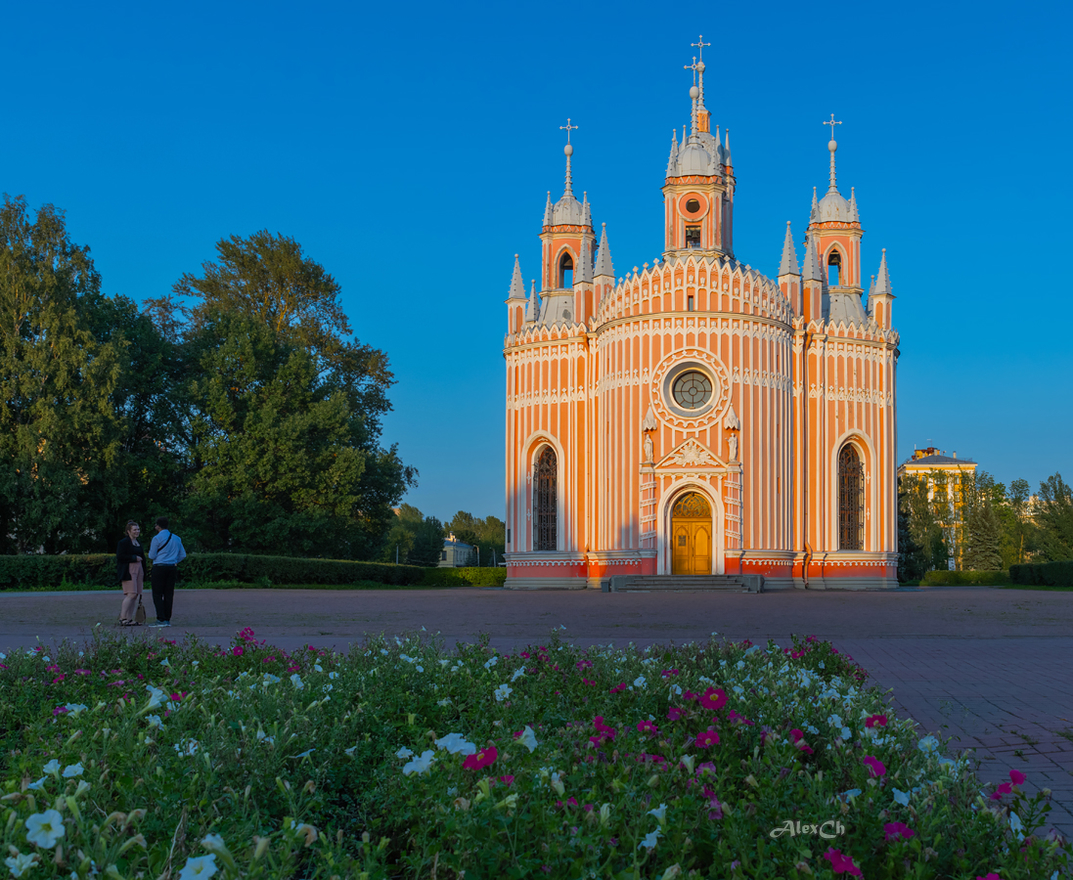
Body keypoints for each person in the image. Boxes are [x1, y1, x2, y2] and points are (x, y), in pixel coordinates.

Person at [147, 516, 187, 627]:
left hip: (159, 567)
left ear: (158, 526)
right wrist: (174, 560)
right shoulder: (176, 538)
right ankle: (167, 618)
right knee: (169, 593)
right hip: (172, 567)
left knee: (157, 593)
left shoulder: (156, 539)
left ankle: (160, 618)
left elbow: (152, 555)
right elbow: (183, 555)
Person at [115, 520, 146, 626]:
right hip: (129, 570)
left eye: (138, 529)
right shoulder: (123, 542)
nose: (137, 531)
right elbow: (120, 556)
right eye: (134, 530)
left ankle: (129, 618)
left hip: (139, 570)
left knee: (135, 594)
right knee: (131, 593)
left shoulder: (138, 542)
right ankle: (122, 617)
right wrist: (133, 558)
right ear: (128, 531)